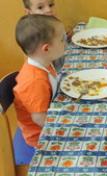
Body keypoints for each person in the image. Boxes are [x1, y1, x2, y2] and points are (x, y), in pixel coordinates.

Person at [13, 14, 66, 157]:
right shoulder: (35, 81)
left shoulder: (43, 62)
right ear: (46, 49)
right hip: (39, 135)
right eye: (62, 40)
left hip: (49, 114)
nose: (65, 43)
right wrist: (65, 129)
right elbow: (39, 119)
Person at [21, 0, 68, 72]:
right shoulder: (32, 36)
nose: (48, 10)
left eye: (51, 5)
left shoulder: (55, 23)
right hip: (51, 75)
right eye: (40, 7)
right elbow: (32, 65)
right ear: (29, 12)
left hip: (64, 64)